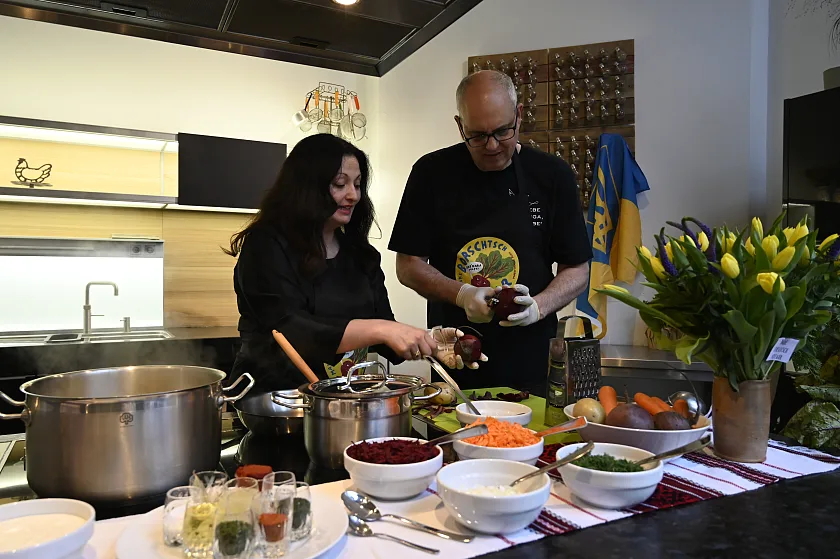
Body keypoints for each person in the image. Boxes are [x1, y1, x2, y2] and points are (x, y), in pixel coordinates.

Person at [227, 133, 483, 392]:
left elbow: (384, 332)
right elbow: (291, 330)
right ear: (306, 186)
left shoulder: (360, 255)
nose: (353, 195)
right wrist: (382, 329)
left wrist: (428, 340)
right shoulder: (266, 245)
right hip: (273, 404)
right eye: (340, 184)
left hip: (342, 405)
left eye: (358, 185)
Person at [388, 70, 592, 393]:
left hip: (530, 365)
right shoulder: (430, 174)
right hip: (454, 362)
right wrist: (461, 294)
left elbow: (578, 269)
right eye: (478, 136)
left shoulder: (552, 176)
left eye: (502, 131)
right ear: (460, 126)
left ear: (519, 116)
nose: (493, 145)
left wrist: (538, 306)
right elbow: (408, 265)